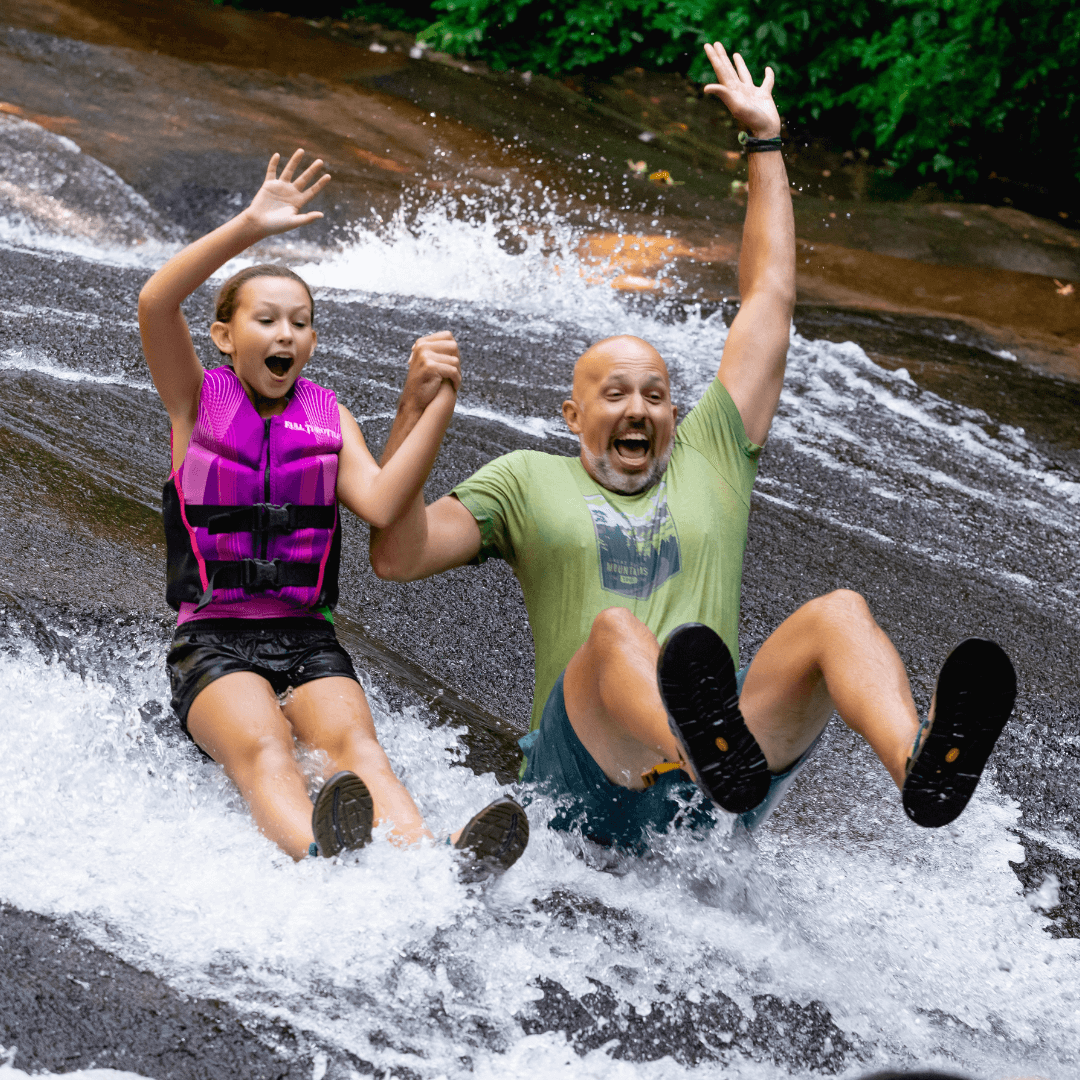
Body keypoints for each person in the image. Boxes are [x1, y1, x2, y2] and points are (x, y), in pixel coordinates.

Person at [367, 43, 1018, 855]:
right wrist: (414, 411)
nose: (638, 408)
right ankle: (696, 747)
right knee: (615, 633)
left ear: (677, 412)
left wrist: (765, 143)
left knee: (839, 614)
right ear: (572, 414)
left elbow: (768, 298)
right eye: (615, 394)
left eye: (655, 394)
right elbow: (397, 553)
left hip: (722, 776)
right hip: (587, 777)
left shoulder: (712, 452)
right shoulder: (523, 481)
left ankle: (919, 764)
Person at [138, 149, 528, 874]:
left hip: (308, 637)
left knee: (357, 749)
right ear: (224, 336)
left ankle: (433, 864)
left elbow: (382, 500)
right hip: (213, 641)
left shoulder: (328, 417)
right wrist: (251, 226)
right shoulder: (195, 401)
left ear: (312, 342)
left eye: (300, 323)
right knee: (266, 748)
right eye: (266, 320)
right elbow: (157, 303)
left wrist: (438, 406)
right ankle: (318, 852)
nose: (285, 334)